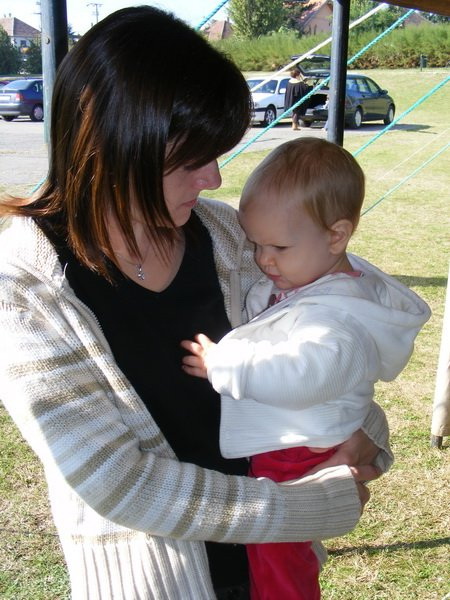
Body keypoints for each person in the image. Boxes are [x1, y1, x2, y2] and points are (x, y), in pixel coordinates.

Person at [0, 8, 392, 600]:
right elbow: (119, 482)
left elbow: (328, 343)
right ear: (117, 144)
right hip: (153, 584)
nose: (213, 179)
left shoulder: (230, 237)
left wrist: (364, 432)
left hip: (271, 572)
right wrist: (304, 507)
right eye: (191, 160)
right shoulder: (24, 286)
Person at [181, 138, 431, 600]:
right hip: (297, 440)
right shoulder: (316, 278)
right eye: (256, 244)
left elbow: (303, 376)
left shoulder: (336, 318)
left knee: (278, 554)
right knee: (282, 553)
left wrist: (227, 365)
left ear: (337, 236)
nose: (263, 259)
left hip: (294, 449)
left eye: (278, 246)